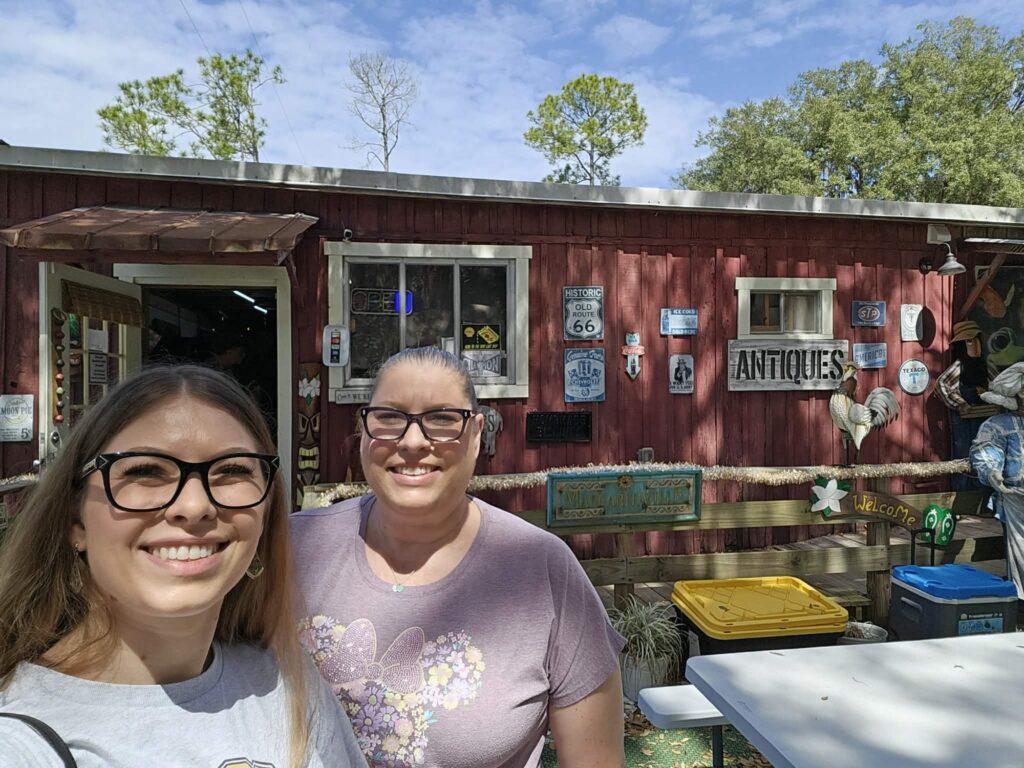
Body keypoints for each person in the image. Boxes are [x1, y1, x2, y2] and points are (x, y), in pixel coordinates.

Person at [0, 365, 367, 768]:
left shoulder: (288, 686)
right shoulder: (18, 740)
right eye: (144, 471)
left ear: (266, 515)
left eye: (232, 470)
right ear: (75, 520)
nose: (194, 507)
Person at [292, 347, 626, 768]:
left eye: (443, 419)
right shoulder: (292, 549)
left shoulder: (542, 569)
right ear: (363, 430)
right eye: (389, 417)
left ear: (476, 434)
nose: (413, 441)